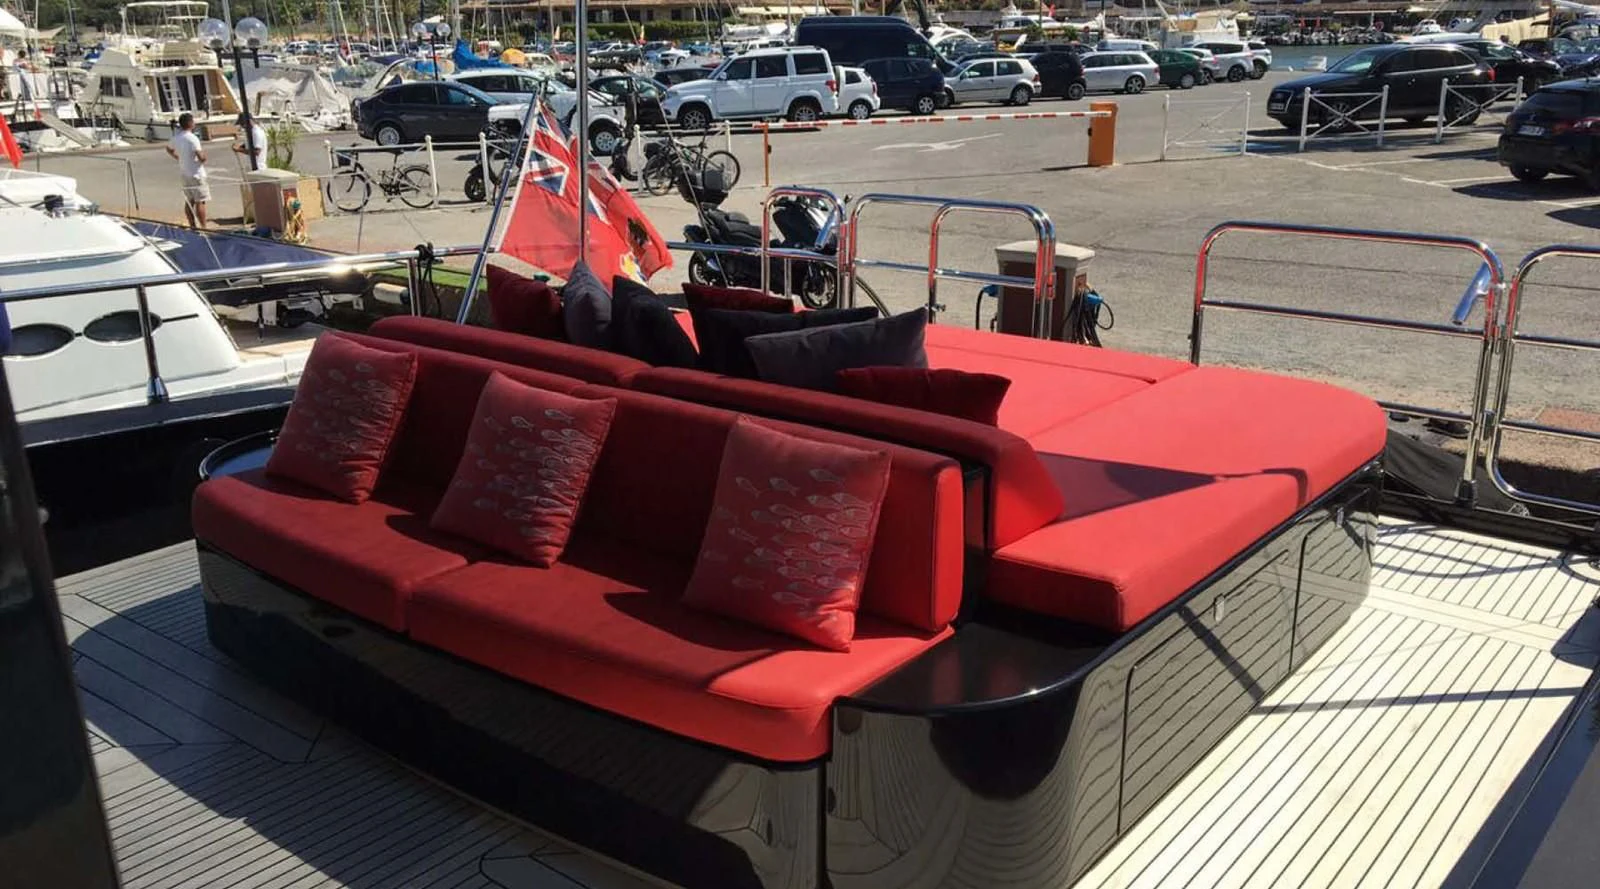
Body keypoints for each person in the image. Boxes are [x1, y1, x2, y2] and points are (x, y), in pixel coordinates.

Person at [165, 112, 209, 227]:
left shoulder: (176, 138)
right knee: (200, 201)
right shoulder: (193, 138)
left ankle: (192, 225)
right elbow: (201, 157)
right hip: (196, 173)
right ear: (190, 123)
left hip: (184, 173)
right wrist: (204, 157)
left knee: (189, 201)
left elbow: (169, 149)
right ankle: (204, 227)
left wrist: (177, 157)